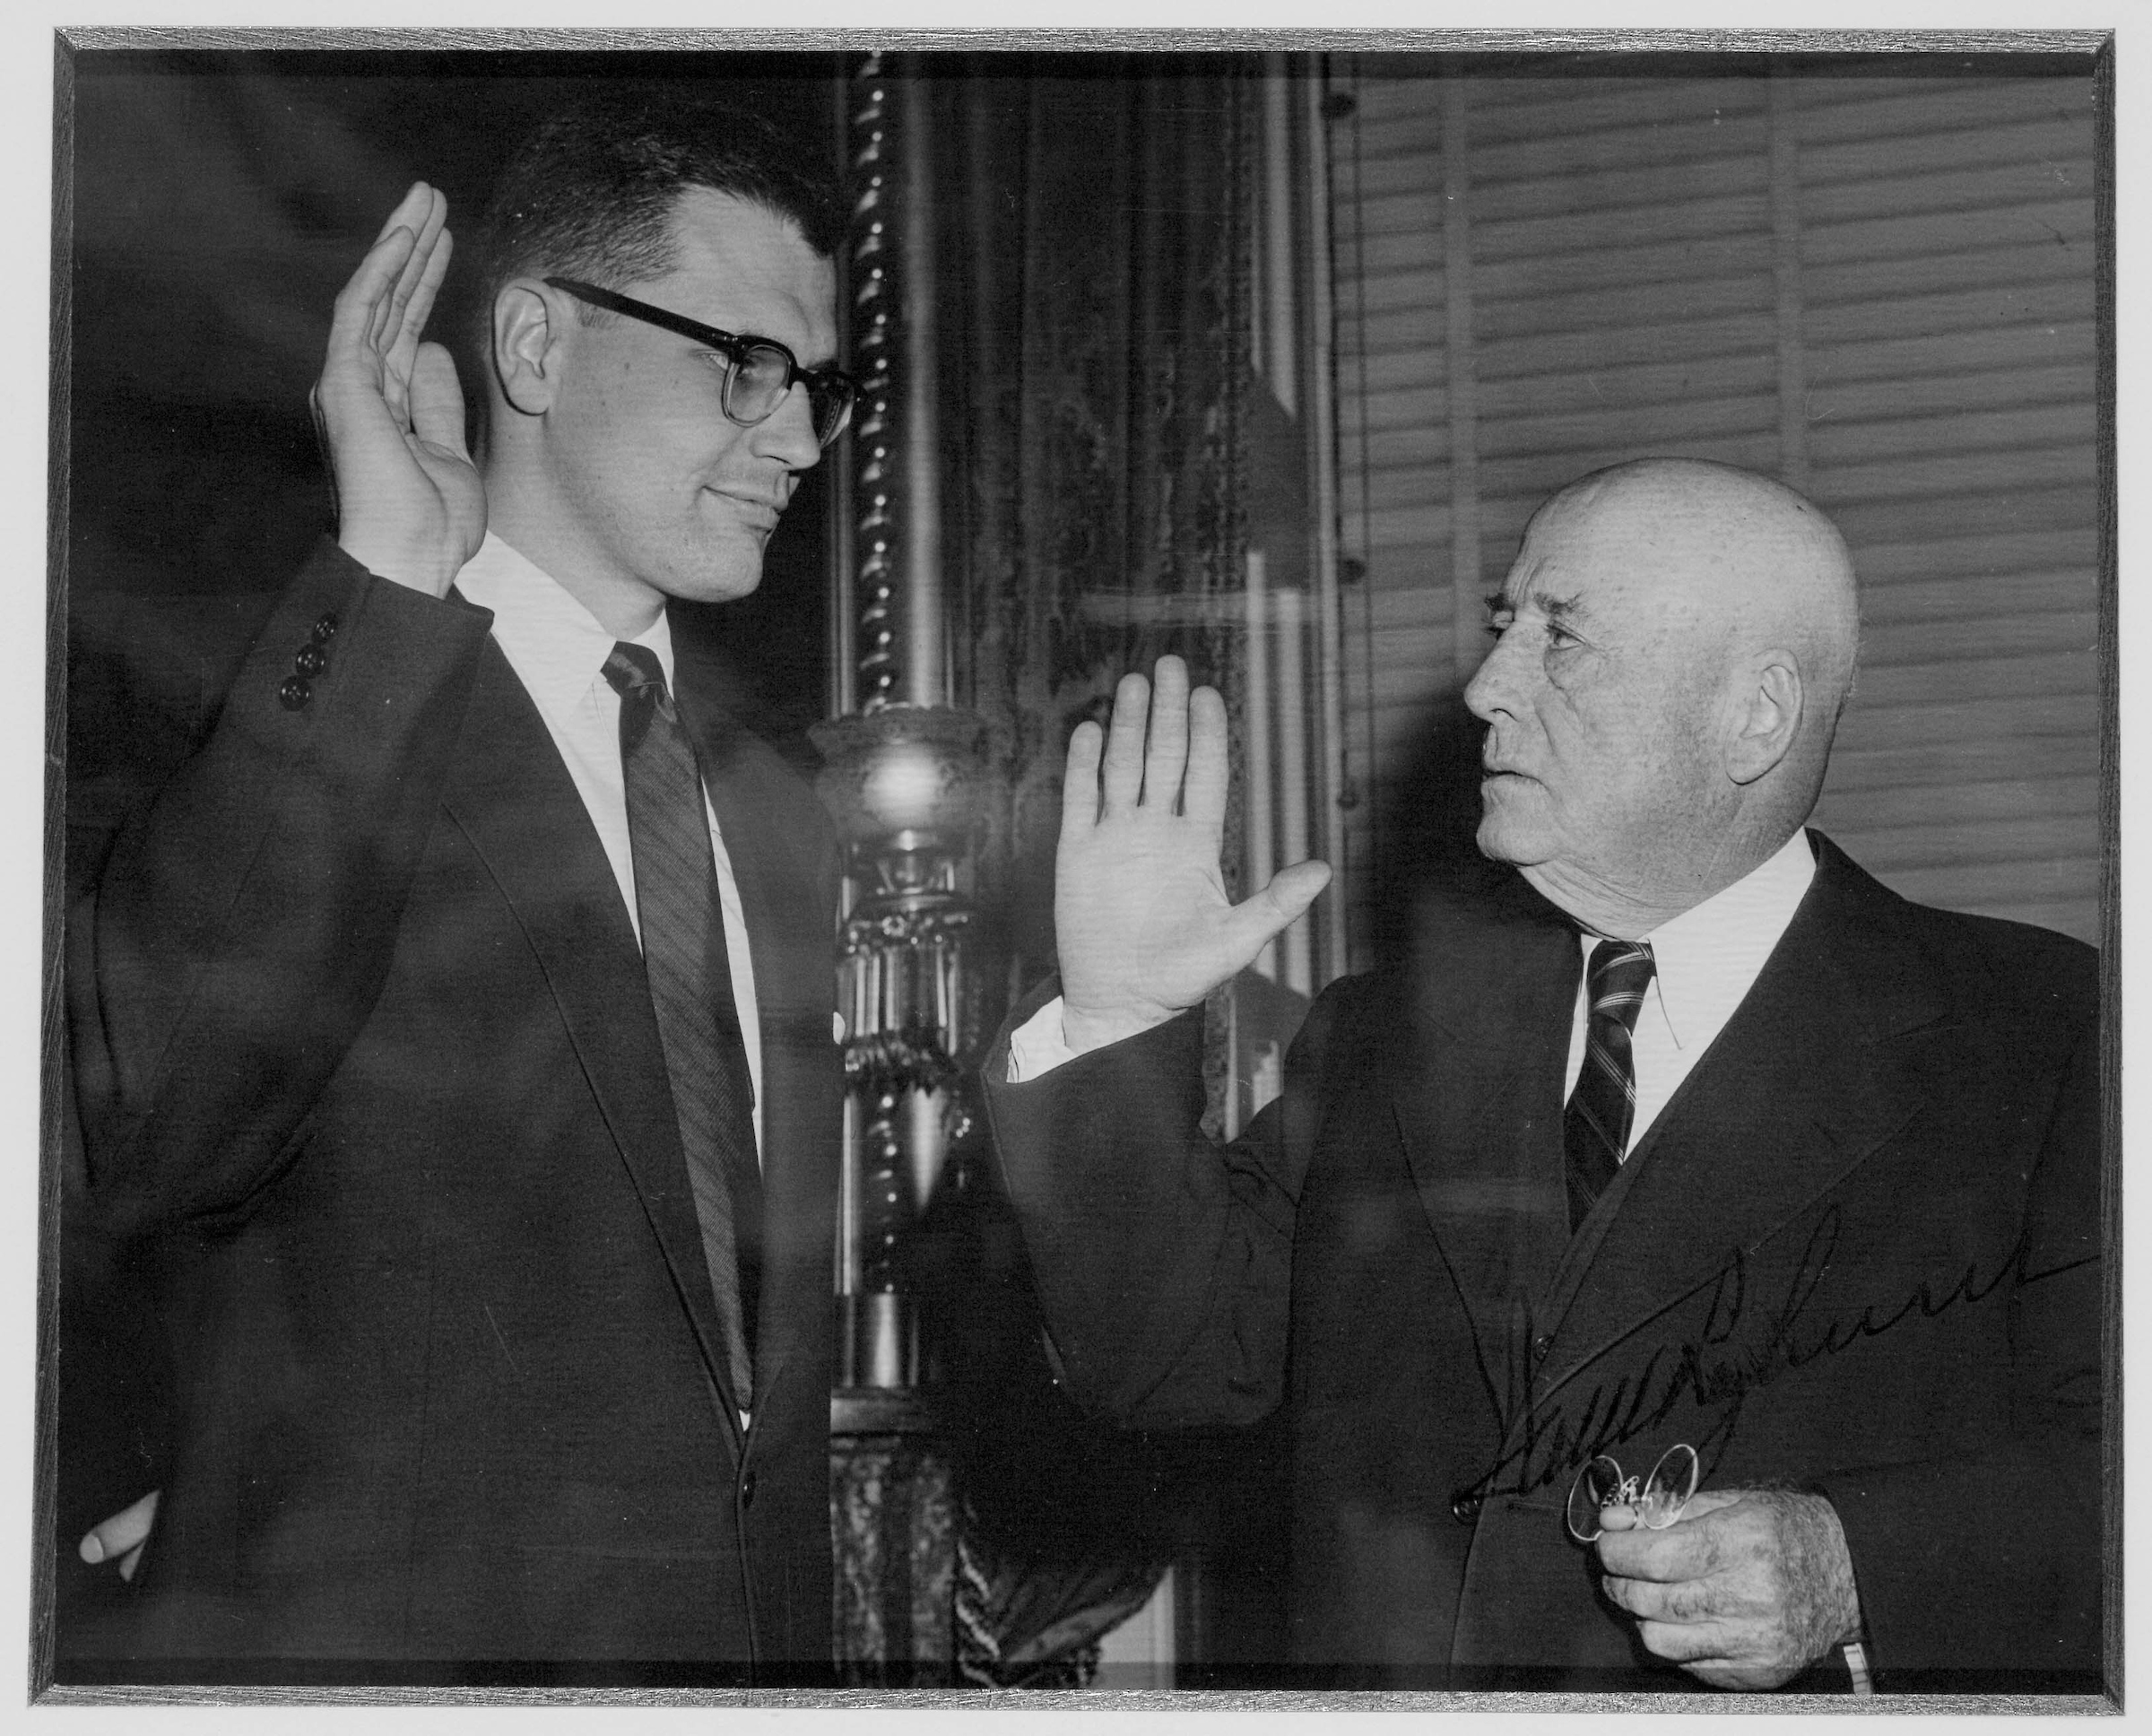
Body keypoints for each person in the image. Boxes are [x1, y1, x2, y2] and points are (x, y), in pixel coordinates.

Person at [985, 458, 2103, 1692]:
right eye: (1500, 626)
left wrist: (1857, 1564)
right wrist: (1114, 1021)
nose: (1483, 687)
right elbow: (1169, 1366)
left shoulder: (2046, 1039)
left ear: (1756, 715)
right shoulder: (1380, 1038)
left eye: (1559, 637)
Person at [64, 99, 850, 1679]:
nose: (801, 438)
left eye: (820, 388)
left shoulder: (776, 816)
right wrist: (383, 569)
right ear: (540, 350)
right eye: (748, 367)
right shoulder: (325, 701)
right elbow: (150, 1124)